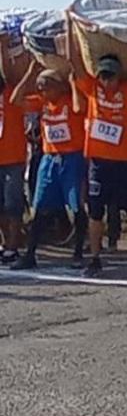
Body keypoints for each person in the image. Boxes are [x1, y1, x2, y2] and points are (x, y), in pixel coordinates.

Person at [65, 21, 127, 277]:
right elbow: (74, 61)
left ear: (119, 75)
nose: (106, 81)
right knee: (95, 211)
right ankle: (95, 257)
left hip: (124, 161)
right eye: (102, 75)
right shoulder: (92, 90)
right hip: (98, 162)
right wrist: (71, 24)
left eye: (110, 76)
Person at [9, 64, 87, 269]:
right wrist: (29, 73)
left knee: (76, 206)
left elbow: (82, 107)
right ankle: (30, 254)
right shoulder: (42, 104)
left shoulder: (70, 101)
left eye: (47, 86)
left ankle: (79, 252)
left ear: (59, 87)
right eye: (40, 87)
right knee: (40, 207)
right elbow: (15, 100)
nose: (43, 91)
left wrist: (72, 82)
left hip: (72, 158)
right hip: (49, 159)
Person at [0, 35, 30, 266]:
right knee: (1, 206)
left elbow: (10, 73)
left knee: (13, 205)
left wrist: (2, 46)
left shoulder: (12, 96)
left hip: (14, 160)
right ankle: (5, 244)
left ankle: (13, 246)